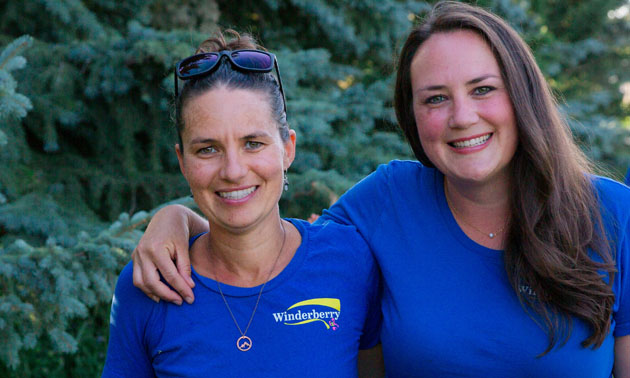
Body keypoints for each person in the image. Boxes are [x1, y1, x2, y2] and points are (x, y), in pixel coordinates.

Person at [131, 2, 630, 377]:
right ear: (413, 116)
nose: (462, 117)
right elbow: (266, 237)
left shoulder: (613, 216)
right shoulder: (385, 202)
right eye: (435, 98)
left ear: (522, 93)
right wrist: (175, 220)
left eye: (483, 89)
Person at [102, 30, 384, 377]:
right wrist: (172, 215)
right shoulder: (152, 284)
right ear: (182, 162)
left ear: (288, 148)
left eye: (253, 143)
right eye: (207, 149)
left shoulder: (349, 261)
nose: (233, 171)